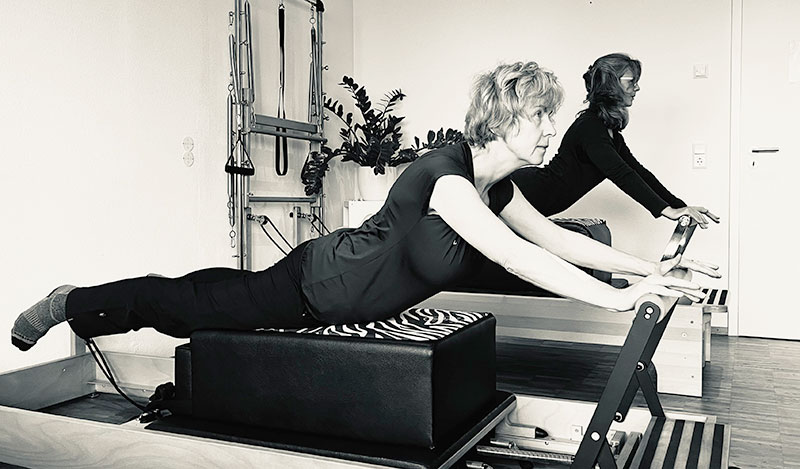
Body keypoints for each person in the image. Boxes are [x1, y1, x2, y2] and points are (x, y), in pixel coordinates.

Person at [11, 61, 719, 352]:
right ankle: (70, 302)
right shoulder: (446, 177)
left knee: (203, 290)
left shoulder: (497, 188)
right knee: (183, 306)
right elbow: (517, 256)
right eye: (539, 116)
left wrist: (647, 272)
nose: (548, 130)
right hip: (314, 285)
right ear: (503, 118)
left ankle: (83, 301)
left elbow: (557, 242)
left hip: (337, 296)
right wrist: (616, 300)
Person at [511, 53, 720, 227]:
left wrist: (680, 207)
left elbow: (638, 172)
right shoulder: (589, 127)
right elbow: (620, 174)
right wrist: (667, 210)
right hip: (526, 191)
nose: (637, 88)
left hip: (534, 198)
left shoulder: (608, 131)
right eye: (631, 82)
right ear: (611, 84)